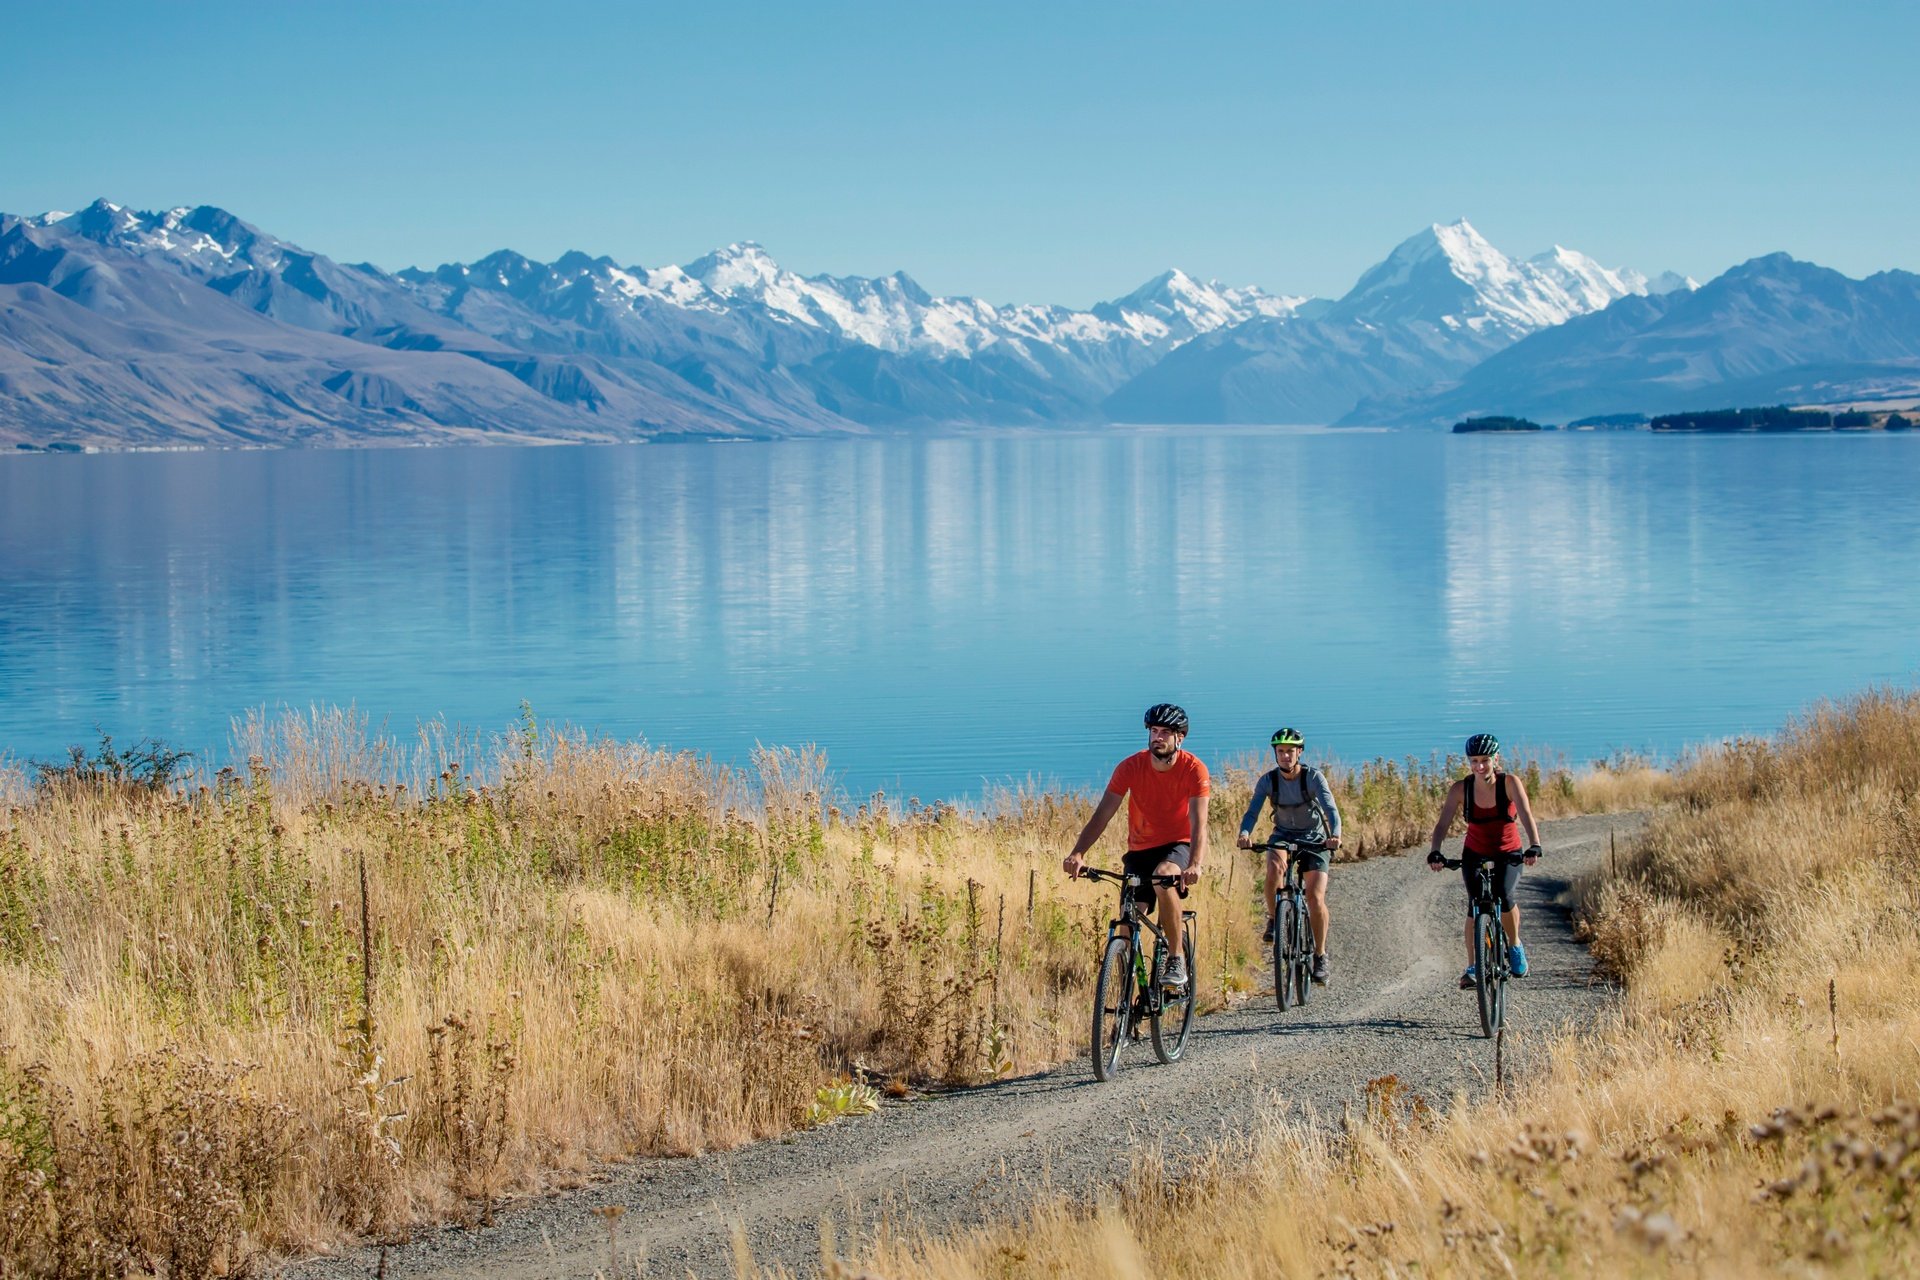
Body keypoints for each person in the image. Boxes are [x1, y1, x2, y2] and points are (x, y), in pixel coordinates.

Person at [1062, 703, 1209, 991]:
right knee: (1127, 925)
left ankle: (1176, 957)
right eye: (1154, 731)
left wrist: (1195, 863)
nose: (1158, 737)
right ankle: (1126, 1015)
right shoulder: (1130, 767)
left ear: (1180, 737)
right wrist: (1078, 852)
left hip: (1177, 845)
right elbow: (1103, 814)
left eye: (1166, 732)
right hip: (1139, 850)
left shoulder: (1194, 769)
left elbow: (1198, 822)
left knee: (1163, 877)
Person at [1424, 733, 1543, 988]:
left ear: (1495, 759)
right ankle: (1473, 965)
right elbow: (1442, 823)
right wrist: (1435, 851)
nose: (1480, 766)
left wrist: (1534, 845)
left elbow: (1526, 815)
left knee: (1503, 893)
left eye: (1485, 760)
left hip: (1508, 851)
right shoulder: (1461, 789)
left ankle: (1514, 945)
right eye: (1475, 761)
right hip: (1474, 852)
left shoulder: (1510, 783)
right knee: (1475, 904)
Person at [1236, 727, 1342, 984]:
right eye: (1280, 751)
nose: (1285, 756)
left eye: (1290, 752)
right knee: (1273, 870)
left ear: (1299, 752)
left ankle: (1320, 955)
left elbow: (1331, 809)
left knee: (1315, 898)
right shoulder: (1268, 781)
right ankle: (1274, 918)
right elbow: (1252, 811)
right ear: (1275, 753)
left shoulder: (1313, 778)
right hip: (1283, 835)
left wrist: (1335, 836)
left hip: (1315, 839)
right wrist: (1245, 832)